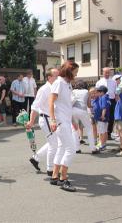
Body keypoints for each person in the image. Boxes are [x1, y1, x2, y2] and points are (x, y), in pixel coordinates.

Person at [49, 61, 79, 192]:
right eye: (75, 71)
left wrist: (72, 120)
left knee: (62, 148)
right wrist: (53, 120)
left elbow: (67, 105)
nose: (77, 74)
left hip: (66, 120)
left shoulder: (67, 84)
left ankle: (55, 177)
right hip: (60, 121)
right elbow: (51, 102)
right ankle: (63, 179)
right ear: (69, 70)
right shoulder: (59, 82)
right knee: (71, 149)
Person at [26, 68, 59, 176]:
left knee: (53, 142)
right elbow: (35, 106)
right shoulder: (44, 89)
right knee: (54, 143)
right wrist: (31, 121)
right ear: (49, 77)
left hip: (52, 119)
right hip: (46, 118)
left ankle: (36, 158)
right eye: (56, 75)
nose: (58, 77)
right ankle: (50, 170)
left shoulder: (55, 87)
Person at [71, 80, 99, 154]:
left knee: (75, 130)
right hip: (82, 110)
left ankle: (76, 148)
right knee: (89, 129)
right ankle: (93, 148)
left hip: (73, 111)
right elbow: (89, 104)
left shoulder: (73, 91)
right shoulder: (86, 92)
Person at [96, 67, 117, 139]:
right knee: (102, 117)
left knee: (111, 117)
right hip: (102, 100)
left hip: (111, 100)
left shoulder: (113, 82)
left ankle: (109, 133)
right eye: (106, 72)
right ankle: (101, 133)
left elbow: (115, 93)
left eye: (108, 72)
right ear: (102, 73)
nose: (107, 74)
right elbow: (97, 93)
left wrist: (117, 102)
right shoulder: (99, 82)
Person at [94, 85, 111, 151]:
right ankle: (103, 144)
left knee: (102, 132)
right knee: (105, 131)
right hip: (105, 117)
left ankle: (102, 144)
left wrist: (103, 116)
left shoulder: (103, 97)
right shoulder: (106, 97)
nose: (97, 93)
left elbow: (104, 108)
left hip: (102, 118)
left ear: (102, 92)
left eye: (98, 91)